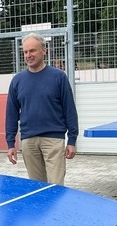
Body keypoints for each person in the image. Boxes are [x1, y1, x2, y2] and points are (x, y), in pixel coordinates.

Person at [5, 33, 78, 185]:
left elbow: (69, 109)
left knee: (56, 187)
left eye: (32, 51)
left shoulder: (58, 77)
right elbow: (11, 113)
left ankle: (57, 210)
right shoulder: (17, 81)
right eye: (25, 52)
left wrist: (72, 140)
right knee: (36, 187)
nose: (28, 55)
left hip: (53, 140)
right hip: (29, 141)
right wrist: (10, 143)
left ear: (44, 51)